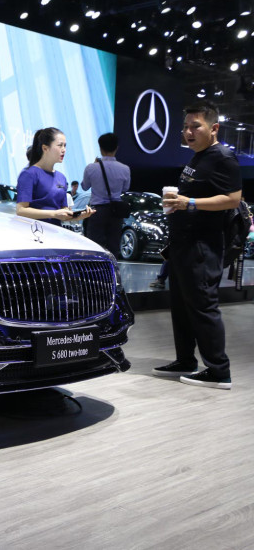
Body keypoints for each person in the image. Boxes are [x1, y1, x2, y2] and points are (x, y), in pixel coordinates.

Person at [152, 100, 242, 389]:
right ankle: (185, 360)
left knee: (203, 306)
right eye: (186, 127)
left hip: (203, 246)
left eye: (195, 126)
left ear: (214, 128)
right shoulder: (198, 157)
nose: (188, 132)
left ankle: (219, 370)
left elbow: (232, 199)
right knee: (181, 305)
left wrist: (189, 202)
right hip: (183, 243)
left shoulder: (223, 158)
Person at [16, 127, 94, 226]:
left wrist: (77, 216)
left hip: (55, 231)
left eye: (65, 146)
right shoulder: (29, 174)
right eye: (60, 145)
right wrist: (54, 214)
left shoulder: (61, 178)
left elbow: (63, 212)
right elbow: (21, 210)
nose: (64, 150)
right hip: (33, 231)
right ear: (45, 148)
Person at [80, 133, 130, 257]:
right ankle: (112, 268)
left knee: (94, 247)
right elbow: (125, 188)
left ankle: (94, 269)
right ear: (116, 148)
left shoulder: (91, 168)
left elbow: (84, 186)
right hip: (116, 212)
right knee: (114, 247)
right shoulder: (125, 169)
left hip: (97, 211)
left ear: (100, 148)